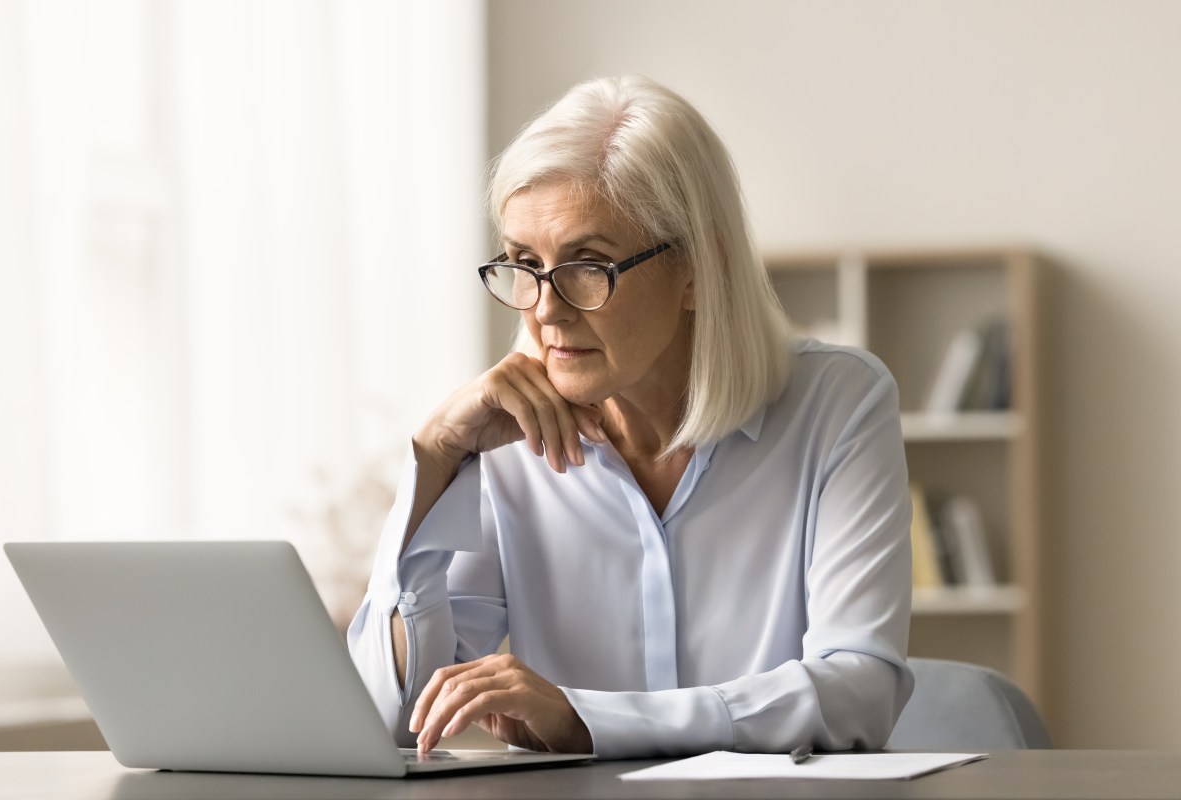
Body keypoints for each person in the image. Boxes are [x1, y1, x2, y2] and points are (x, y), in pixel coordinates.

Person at [347, 75, 913, 759]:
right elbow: (389, 720)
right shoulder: (507, 442)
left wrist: (588, 720)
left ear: (701, 268)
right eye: (526, 264)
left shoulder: (837, 406)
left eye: (588, 263)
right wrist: (435, 457)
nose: (546, 309)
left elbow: (858, 693)